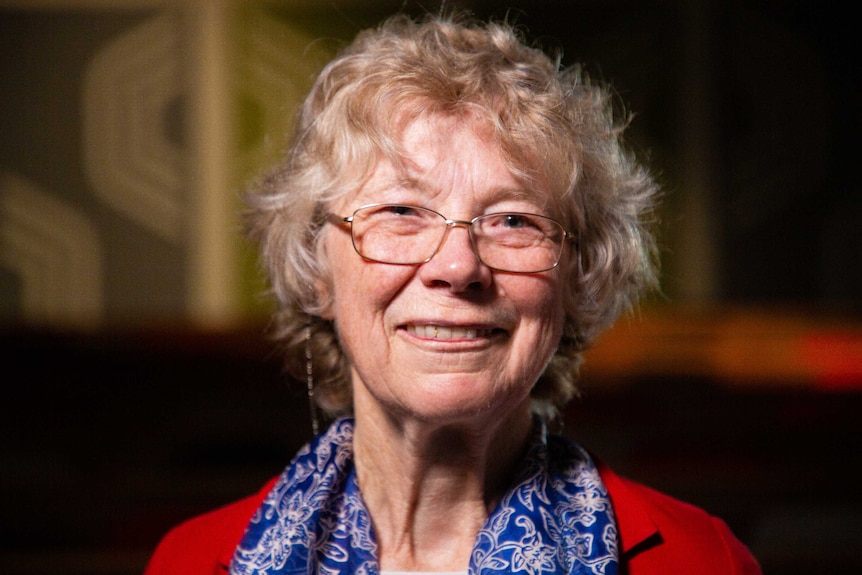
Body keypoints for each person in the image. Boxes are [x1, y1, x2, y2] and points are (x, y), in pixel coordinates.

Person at [144, 12, 762, 575]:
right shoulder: (189, 561)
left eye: (513, 220)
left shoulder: (703, 561)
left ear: (577, 275)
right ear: (314, 269)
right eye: (402, 211)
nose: (458, 266)